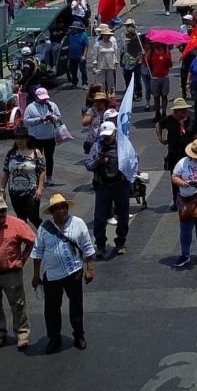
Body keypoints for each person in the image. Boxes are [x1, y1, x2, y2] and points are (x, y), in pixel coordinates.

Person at [31, 194, 96, 354]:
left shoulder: (78, 223)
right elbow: (37, 252)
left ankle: (79, 335)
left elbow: (88, 247)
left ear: (67, 208)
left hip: (74, 272)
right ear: (52, 212)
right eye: (56, 209)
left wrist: (89, 269)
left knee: (76, 306)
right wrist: (35, 275)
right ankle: (54, 338)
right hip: (52, 276)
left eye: (63, 207)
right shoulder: (44, 228)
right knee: (52, 309)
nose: (61, 211)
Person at [85, 122, 134, 258]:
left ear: (115, 133)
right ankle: (100, 245)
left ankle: (120, 243)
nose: (106, 138)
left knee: (123, 216)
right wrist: (97, 163)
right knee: (100, 217)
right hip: (103, 186)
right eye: (104, 136)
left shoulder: (123, 145)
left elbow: (133, 160)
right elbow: (88, 165)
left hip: (121, 185)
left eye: (109, 135)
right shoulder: (97, 146)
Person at [0, 196, 36, 350]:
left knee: (18, 304)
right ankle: (1, 333)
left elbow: (32, 240)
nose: (1, 215)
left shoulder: (16, 224)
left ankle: (22, 333)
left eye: (3, 211)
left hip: (11, 271)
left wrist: (23, 259)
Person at [156, 98, 197, 211]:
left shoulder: (191, 120)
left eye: (185, 110)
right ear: (176, 111)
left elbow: (194, 136)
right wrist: (161, 138)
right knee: (175, 178)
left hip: (187, 154)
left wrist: (195, 151)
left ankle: (190, 199)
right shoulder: (169, 120)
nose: (184, 112)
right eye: (181, 110)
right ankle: (176, 201)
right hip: (174, 154)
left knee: (189, 177)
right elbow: (158, 125)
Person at [1, 127, 45, 227]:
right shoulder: (11, 153)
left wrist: (40, 188)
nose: (19, 141)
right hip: (14, 192)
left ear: (27, 139)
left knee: (34, 217)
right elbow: (6, 171)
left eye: (22, 138)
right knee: (21, 219)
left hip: (31, 191)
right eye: (17, 138)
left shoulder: (35, 153)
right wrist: (2, 189)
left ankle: (45, 236)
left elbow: (41, 171)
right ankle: (25, 239)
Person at [23, 88, 61, 186]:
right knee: (36, 158)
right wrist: (40, 119)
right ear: (36, 97)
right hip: (35, 138)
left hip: (49, 137)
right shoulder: (30, 107)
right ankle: (36, 177)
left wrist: (53, 117)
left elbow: (59, 117)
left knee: (49, 158)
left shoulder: (52, 105)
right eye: (41, 98)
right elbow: (26, 121)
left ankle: (49, 177)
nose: (44, 100)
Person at [146, 43, 173, 121]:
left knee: (164, 96)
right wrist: (145, 56)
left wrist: (168, 59)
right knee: (156, 97)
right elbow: (147, 64)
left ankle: (164, 113)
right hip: (154, 78)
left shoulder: (167, 52)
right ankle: (157, 113)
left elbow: (170, 65)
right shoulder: (151, 53)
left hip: (164, 77)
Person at [91, 27, 119, 96]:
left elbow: (115, 54)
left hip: (110, 66)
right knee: (101, 82)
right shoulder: (98, 44)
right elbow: (94, 56)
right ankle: (102, 96)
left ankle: (110, 95)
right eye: (106, 35)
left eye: (109, 35)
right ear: (103, 35)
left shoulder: (112, 43)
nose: (108, 36)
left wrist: (116, 63)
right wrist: (94, 66)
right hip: (101, 66)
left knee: (110, 82)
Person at [67, 21, 89, 89]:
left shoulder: (83, 35)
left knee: (83, 70)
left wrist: (84, 55)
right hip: (72, 55)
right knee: (73, 70)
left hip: (80, 55)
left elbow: (86, 45)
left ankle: (85, 83)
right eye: (73, 28)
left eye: (75, 28)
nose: (74, 29)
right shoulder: (70, 34)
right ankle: (74, 83)